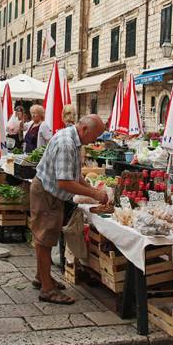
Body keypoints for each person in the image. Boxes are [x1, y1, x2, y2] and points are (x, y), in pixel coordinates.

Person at [30, 115, 108, 304]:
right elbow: (64, 182)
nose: (95, 141)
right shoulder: (66, 143)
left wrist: (90, 189)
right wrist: (95, 195)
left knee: (46, 238)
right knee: (45, 240)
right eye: (95, 136)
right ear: (84, 130)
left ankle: (42, 278)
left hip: (50, 192)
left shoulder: (73, 140)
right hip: (47, 194)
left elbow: (72, 173)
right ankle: (47, 289)